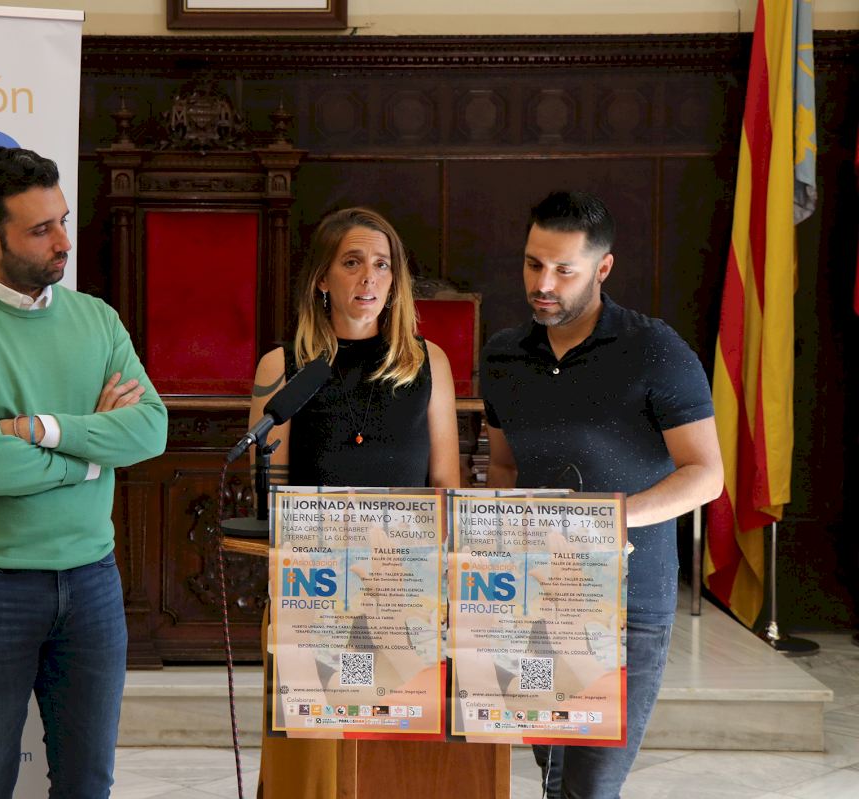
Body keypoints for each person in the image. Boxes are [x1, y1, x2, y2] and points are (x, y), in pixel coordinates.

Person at [0, 146, 168, 799]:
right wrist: (93, 456)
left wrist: (40, 429)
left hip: (92, 581)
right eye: (41, 229)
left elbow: (150, 430)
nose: (63, 242)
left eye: (63, 221)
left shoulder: (96, 319)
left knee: (88, 784)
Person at [479, 190, 724, 799]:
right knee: (552, 776)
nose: (543, 284)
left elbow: (706, 473)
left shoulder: (655, 349)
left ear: (603, 267)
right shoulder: (504, 355)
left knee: (590, 788)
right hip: (532, 596)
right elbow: (504, 467)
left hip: (628, 604)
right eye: (533, 264)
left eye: (564, 270)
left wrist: (608, 521)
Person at [250, 207, 462, 798]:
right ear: (322, 277)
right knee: (310, 772)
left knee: (393, 768)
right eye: (351, 263)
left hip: (403, 595)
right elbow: (272, 493)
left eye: (382, 265)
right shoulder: (283, 366)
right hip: (314, 594)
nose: (369, 277)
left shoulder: (428, 362)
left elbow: (445, 484)